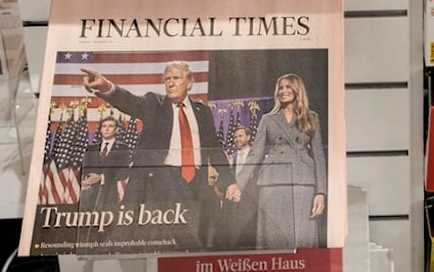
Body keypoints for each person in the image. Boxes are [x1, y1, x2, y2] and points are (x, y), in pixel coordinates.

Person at [80, 61, 241, 250]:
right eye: (167, 79)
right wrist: (106, 87)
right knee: (176, 239)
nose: (171, 83)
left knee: (201, 238)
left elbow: (214, 148)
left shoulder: (202, 111)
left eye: (176, 78)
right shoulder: (154, 104)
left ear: (189, 83)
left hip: (197, 183)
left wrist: (230, 181)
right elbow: (129, 101)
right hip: (162, 179)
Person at [239, 73, 327, 249]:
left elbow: (319, 156)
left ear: (297, 90)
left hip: (302, 181)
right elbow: (255, 153)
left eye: (288, 87)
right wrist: (238, 184)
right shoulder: (268, 119)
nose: (284, 91)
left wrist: (321, 193)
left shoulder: (311, 117)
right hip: (273, 181)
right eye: (280, 87)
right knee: (273, 236)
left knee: (301, 236)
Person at [79, 116, 131, 208]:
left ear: (116, 130)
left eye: (110, 126)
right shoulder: (91, 148)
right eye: (104, 126)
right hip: (90, 191)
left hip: (111, 191)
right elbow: (84, 168)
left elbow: (124, 172)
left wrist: (101, 177)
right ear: (100, 129)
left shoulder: (123, 148)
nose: (106, 129)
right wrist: (87, 180)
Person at [224, 125, 259, 249]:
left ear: (248, 137)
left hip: (251, 200)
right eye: (235, 137)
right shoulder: (231, 157)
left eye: (240, 136)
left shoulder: (256, 155)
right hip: (234, 202)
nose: (237, 139)